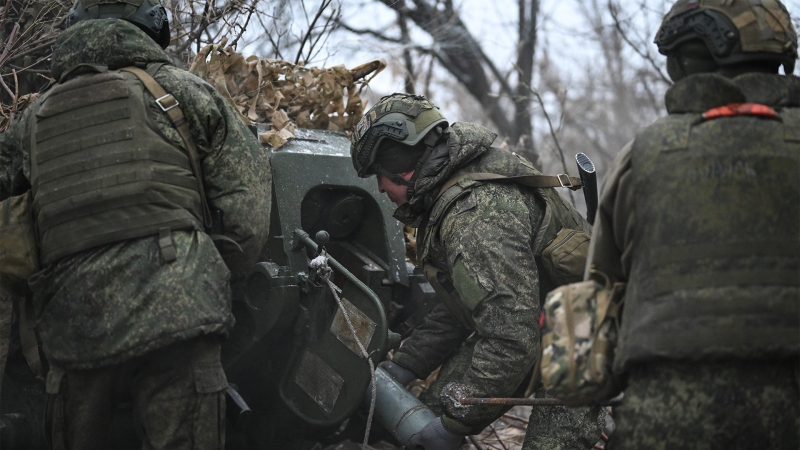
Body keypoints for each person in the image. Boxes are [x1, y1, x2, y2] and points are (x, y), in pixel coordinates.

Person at [0, 0, 271, 447]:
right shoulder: (186, 91)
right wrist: (213, 285)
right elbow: (247, 211)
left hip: (75, 320)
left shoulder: (31, 119)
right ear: (152, 29)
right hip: (180, 303)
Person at [585, 0, 800, 448]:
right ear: (782, 59)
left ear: (680, 63)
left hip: (667, 408)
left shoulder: (641, 155)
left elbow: (599, 297)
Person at [350, 93, 604, 449]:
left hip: (585, 330)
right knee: (427, 414)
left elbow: (511, 338)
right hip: (537, 321)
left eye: (380, 174)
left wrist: (454, 427)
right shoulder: (458, 182)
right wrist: (406, 366)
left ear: (404, 167)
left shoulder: (475, 216)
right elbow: (465, 302)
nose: (379, 188)